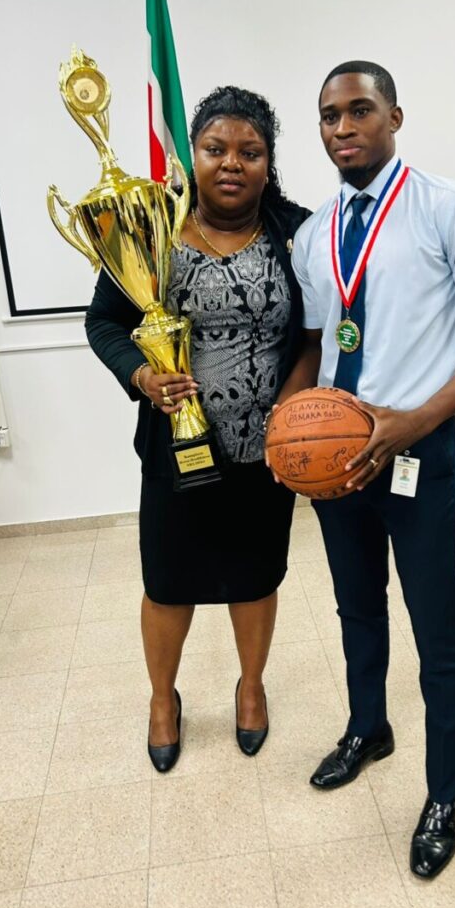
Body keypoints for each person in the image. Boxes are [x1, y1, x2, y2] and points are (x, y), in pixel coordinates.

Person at [276, 60, 455, 879]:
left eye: (359, 110)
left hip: (416, 449)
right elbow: (320, 344)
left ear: (394, 117)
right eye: (329, 116)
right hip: (336, 459)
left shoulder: (449, 207)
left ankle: (444, 792)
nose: (342, 127)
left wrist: (417, 419)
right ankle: (368, 727)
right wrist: (286, 424)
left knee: (436, 628)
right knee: (356, 608)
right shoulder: (315, 234)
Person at [86, 87, 309, 772]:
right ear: (193, 156)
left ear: (269, 163)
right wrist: (141, 375)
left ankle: (251, 686)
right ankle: (163, 699)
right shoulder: (151, 229)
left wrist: (293, 410)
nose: (232, 163)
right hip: (176, 449)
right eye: (216, 148)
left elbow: (315, 332)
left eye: (250, 151)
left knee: (255, 575)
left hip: (265, 450)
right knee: (168, 581)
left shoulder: (297, 232)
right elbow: (104, 323)